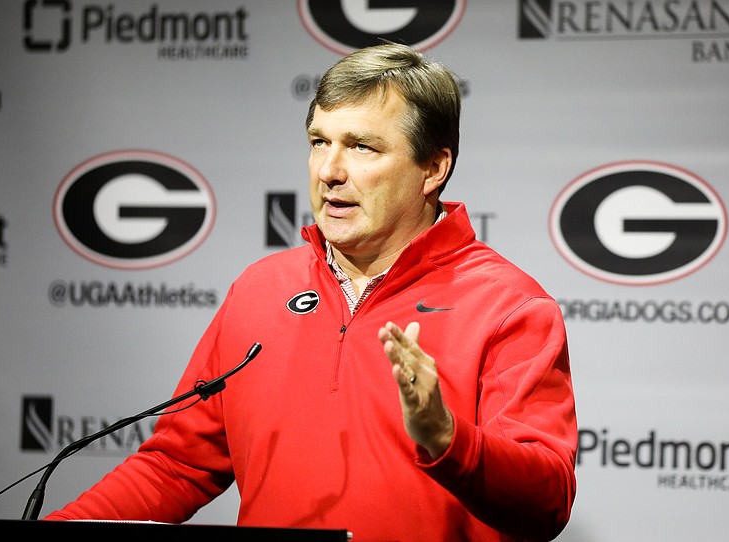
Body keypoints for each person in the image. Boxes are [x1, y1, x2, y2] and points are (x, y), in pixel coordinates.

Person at [44, 42, 577, 542]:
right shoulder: (260, 288)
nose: (329, 171)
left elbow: (547, 501)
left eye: (362, 147)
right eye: (319, 143)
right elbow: (178, 464)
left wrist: (447, 439)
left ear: (433, 168)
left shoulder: (510, 306)